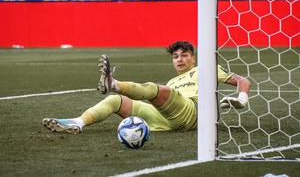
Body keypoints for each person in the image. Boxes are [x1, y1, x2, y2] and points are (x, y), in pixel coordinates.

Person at [43, 41, 251, 134]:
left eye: (184, 55)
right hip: (168, 120)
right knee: (116, 101)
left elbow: (243, 80)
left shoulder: (206, 68)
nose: (179, 60)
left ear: (193, 58)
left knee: (155, 89)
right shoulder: (173, 82)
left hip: (192, 112)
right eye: (175, 56)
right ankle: (77, 123)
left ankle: (113, 83)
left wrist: (241, 98)